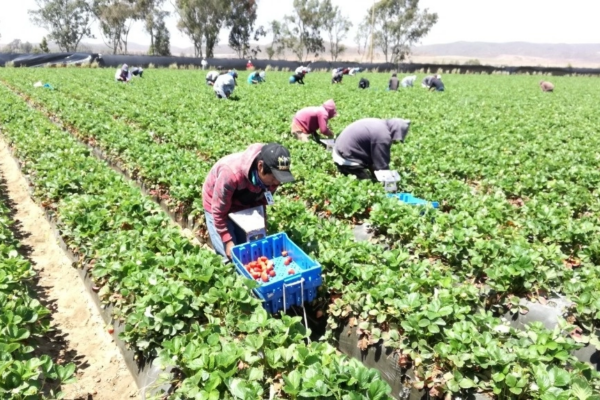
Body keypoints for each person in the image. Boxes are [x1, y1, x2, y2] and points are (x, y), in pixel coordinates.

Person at [202, 143, 295, 261]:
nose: (277, 183)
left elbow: (262, 202)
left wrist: (261, 226)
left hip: (243, 202)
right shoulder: (231, 173)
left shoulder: (272, 181)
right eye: (274, 177)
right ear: (260, 166)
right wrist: (228, 240)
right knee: (229, 256)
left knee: (248, 249)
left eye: (281, 178)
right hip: (216, 203)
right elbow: (218, 211)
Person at [333, 118, 411, 180]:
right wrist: (389, 184)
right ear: (396, 132)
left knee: (371, 178)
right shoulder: (383, 137)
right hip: (346, 158)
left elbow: (373, 160)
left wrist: (375, 175)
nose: (394, 142)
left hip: (339, 151)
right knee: (366, 185)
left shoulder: (381, 125)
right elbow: (382, 164)